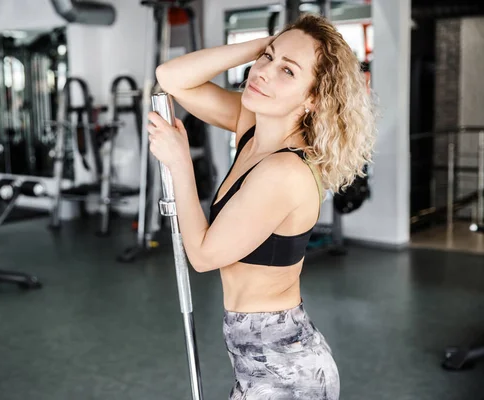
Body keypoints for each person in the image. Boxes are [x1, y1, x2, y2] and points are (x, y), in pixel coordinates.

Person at [147, 14, 376, 400]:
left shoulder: (284, 171)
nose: (264, 72)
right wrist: (273, 44)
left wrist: (179, 163)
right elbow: (170, 77)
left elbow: (203, 255)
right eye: (266, 58)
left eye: (288, 71)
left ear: (313, 99)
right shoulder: (250, 126)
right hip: (255, 360)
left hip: (287, 374)